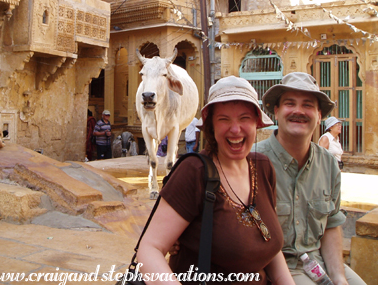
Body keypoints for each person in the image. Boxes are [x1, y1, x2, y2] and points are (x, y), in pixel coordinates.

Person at [137, 76, 295, 285]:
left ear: (256, 123)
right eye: (224, 119)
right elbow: (149, 249)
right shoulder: (194, 172)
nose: (235, 129)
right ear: (211, 126)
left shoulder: (263, 168)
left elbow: (269, 243)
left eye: (244, 118)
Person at [255, 72, 365, 285]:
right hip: (276, 267)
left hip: (318, 260)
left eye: (307, 105)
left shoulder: (328, 164)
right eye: (290, 104)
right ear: (276, 111)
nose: (298, 111)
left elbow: (331, 225)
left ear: (319, 115)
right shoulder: (253, 161)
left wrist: (339, 277)